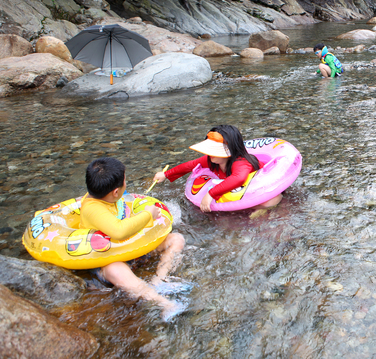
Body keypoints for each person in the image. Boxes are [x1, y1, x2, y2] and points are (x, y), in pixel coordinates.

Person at [81, 157, 186, 320]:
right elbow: (119, 231)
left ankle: (160, 280)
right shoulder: (93, 209)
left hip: (131, 248)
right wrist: (148, 214)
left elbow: (129, 209)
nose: (126, 184)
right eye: (125, 181)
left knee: (176, 239)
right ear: (115, 192)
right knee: (115, 270)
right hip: (108, 256)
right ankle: (164, 303)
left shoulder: (111, 196)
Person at [154, 125, 282, 212]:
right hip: (235, 192)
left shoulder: (241, 163)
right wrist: (166, 174)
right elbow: (190, 165)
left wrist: (211, 193)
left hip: (258, 188)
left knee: (270, 199)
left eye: (215, 150)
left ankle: (263, 212)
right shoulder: (212, 159)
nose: (210, 154)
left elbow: (239, 178)